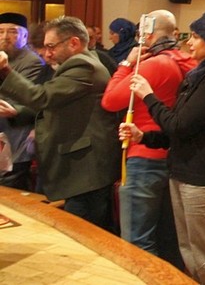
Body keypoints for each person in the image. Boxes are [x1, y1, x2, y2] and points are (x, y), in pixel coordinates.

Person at [121, 9, 205, 285]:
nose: (189, 42)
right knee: (192, 257)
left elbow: (179, 126)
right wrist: (143, 136)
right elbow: (179, 132)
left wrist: (148, 95)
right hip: (185, 173)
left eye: (196, 37)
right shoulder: (201, 75)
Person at [0, 16, 120, 229]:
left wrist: (5, 71)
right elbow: (56, 103)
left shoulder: (84, 66)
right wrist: (18, 111)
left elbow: (42, 97)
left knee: (81, 232)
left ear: (73, 43)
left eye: (51, 46)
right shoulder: (81, 63)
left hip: (86, 170)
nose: (47, 54)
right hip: (81, 167)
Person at [101, 9, 192, 268]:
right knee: (167, 241)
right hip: (171, 156)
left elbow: (110, 101)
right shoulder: (185, 61)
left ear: (146, 34)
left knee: (137, 243)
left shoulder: (153, 64)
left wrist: (126, 64)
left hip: (144, 157)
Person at [0, 12, 44, 190]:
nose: (5, 37)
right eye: (0, 31)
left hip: (15, 136)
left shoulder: (32, 62)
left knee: (11, 191)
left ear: (25, 36)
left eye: (12, 32)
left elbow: (17, 97)